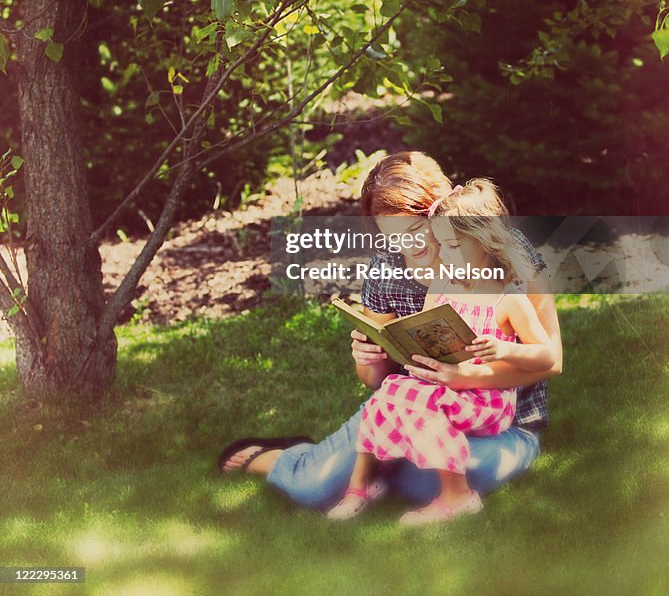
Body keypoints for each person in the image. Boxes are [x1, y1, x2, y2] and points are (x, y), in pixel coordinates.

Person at [219, 152, 562, 510]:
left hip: (502, 423)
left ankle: (375, 465)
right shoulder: (388, 270)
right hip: (417, 406)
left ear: (442, 211)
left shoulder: (505, 253)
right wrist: (368, 356)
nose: (410, 248)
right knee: (313, 490)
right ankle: (282, 458)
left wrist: (463, 377)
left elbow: (550, 362)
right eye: (394, 238)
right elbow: (373, 379)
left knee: (432, 480)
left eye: (416, 231)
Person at [327, 178, 555, 525]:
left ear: (485, 242)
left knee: (423, 403)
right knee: (389, 392)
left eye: (451, 246)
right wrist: (402, 348)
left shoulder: (509, 301)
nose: (442, 254)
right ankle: (360, 487)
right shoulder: (441, 287)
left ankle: (458, 496)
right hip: (445, 385)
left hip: (487, 399)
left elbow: (546, 357)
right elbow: (427, 333)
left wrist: (506, 348)